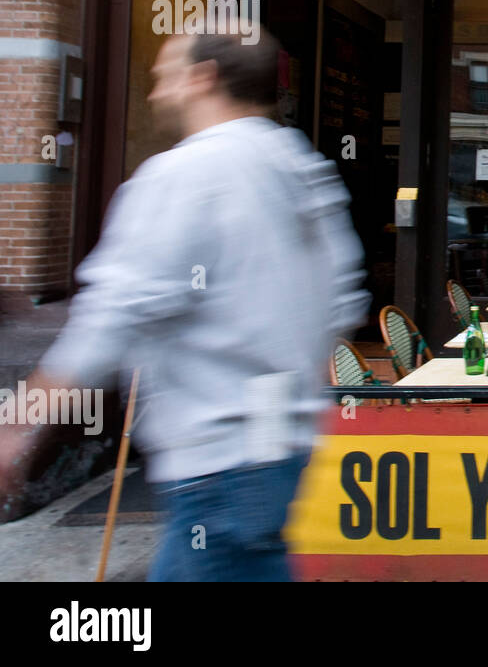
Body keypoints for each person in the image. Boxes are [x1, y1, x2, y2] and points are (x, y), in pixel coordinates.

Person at [0, 30, 370, 580]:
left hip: (215, 465)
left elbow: (109, 317)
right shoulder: (302, 169)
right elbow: (341, 305)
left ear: (204, 78)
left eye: (164, 76)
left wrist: (19, 425)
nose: (155, 93)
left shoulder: (182, 174)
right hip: (283, 453)